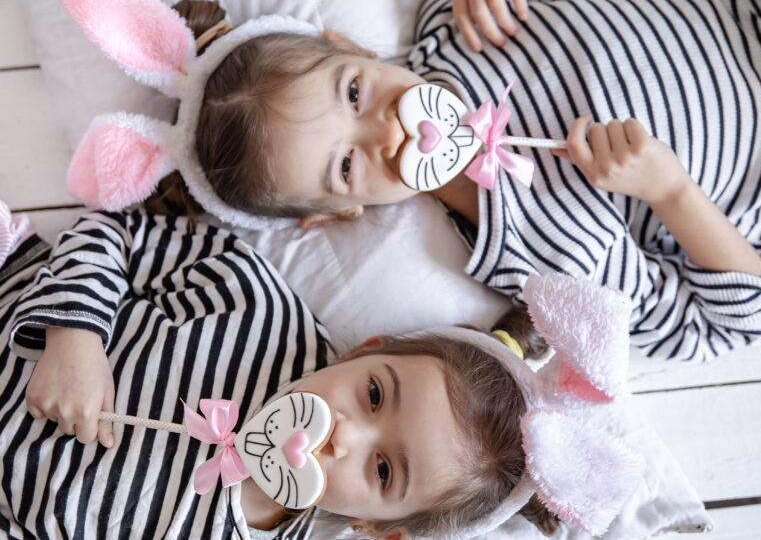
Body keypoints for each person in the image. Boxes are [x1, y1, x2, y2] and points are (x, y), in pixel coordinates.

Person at [63, 0, 761, 364]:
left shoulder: (459, 24)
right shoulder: (543, 256)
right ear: (335, 215)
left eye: (353, 93)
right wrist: (672, 192)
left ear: (350, 45)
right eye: (346, 164)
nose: (393, 129)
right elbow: (731, 321)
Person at [0, 204, 559, 539]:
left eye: (383, 470)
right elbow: (113, 233)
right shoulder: (252, 301)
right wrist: (76, 333)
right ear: (363, 351)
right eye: (372, 394)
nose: (345, 435)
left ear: (374, 527)